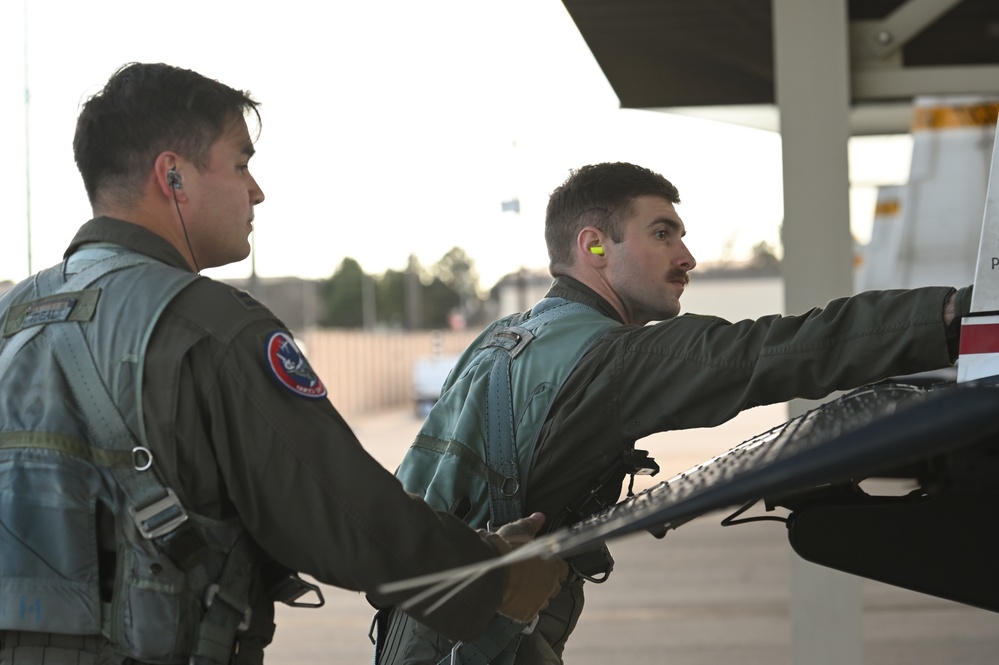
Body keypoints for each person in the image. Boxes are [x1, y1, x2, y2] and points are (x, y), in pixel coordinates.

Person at [0, 62, 565, 665]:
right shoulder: (209, 325)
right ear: (174, 176)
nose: (257, 189)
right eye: (241, 163)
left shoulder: (12, 316)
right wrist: (495, 578)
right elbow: (348, 516)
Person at [382, 161, 971, 664]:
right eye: (662, 234)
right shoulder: (607, 360)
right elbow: (770, 352)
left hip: (420, 620)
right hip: (471, 634)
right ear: (593, 246)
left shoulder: (508, 335)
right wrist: (955, 320)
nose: (687, 257)